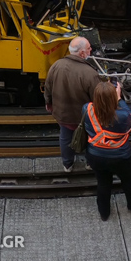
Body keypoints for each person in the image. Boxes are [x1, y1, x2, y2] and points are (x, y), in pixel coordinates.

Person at [83, 81, 131, 220]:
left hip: (96, 154)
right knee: (128, 181)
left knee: (103, 183)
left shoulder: (87, 109)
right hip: (120, 156)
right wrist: (119, 99)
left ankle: (104, 213)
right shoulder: (122, 117)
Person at [44, 37, 102, 172]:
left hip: (63, 114)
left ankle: (67, 164)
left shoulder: (56, 65)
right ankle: (89, 163)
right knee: (90, 139)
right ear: (82, 53)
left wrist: (48, 103)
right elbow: (97, 98)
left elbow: (48, 87)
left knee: (65, 138)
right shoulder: (90, 73)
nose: (91, 50)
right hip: (84, 117)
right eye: (88, 48)